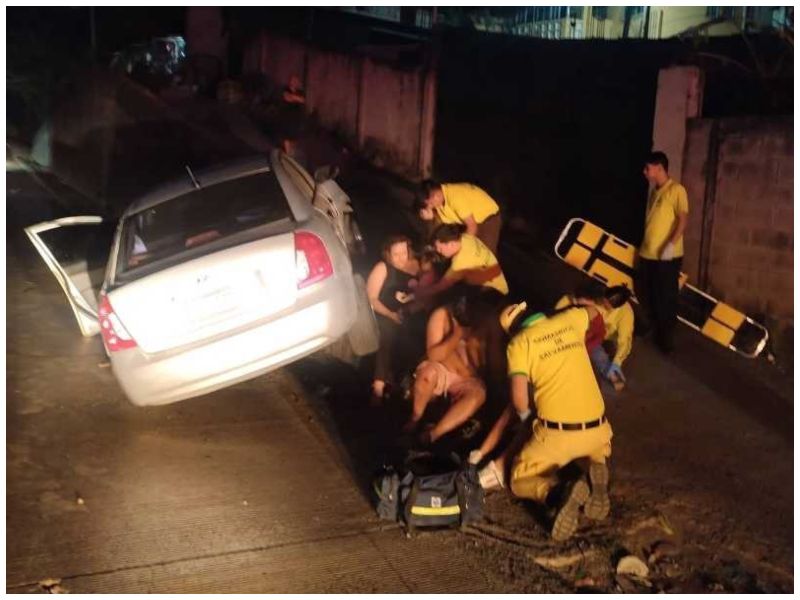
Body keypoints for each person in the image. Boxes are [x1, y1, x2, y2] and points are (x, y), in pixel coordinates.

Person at [472, 301, 614, 541]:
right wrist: (561, 315)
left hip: (558, 435)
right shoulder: (571, 320)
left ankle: (556, 493)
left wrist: (528, 420)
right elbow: (594, 311)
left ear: (513, 330)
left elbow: (519, 400)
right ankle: (597, 465)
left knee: (518, 479)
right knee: (596, 448)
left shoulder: (519, 343)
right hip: (599, 430)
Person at [403, 293, 490, 445]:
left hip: (468, 379)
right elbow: (434, 355)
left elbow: (489, 364)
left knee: (478, 394)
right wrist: (457, 335)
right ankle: (414, 419)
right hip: (442, 369)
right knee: (427, 374)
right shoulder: (441, 315)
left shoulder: (488, 322)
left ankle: (433, 435)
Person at [639, 151, 689, 354]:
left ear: (659, 167)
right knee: (648, 294)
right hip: (648, 254)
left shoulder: (676, 190)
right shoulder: (654, 191)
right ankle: (654, 329)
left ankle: (666, 340)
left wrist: (670, 244)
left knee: (665, 297)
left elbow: (683, 219)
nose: (645, 172)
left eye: (648, 168)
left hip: (666, 257)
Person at [366, 235, 421, 402]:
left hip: (406, 313)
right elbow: (371, 298)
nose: (400, 258)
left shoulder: (416, 268)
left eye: (403, 253)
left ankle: (404, 382)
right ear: (388, 254)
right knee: (388, 333)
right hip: (383, 313)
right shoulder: (383, 268)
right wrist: (391, 314)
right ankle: (378, 386)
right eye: (396, 254)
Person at [555, 283, 634, 392]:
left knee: (599, 356)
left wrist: (617, 362)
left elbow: (625, 341)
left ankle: (615, 377)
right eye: (603, 301)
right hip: (577, 327)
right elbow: (569, 299)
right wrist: (555, 316)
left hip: (597, 337)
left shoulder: (626, 315)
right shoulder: (595, 293)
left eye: (607, 306)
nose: (603, 305)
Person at [415, 224, 509, 301]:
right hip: (500, 282)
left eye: (440, 248)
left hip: (492, 293)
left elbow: (440, 286)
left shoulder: (460, 263)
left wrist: (418, 293)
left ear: (451, 244)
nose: (439, 251)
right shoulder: (465, 237)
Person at [416, 180, 503, 254]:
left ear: (436, 196)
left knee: (483, 255)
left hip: (488, 218)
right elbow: (440, 223)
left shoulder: (455, 198)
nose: (429, 207)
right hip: (468, 220)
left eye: (430, 204)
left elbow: (472, 227)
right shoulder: (439, 201)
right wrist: (431, 217)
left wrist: (460, 249)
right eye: (427, 205)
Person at [280, 74, 306, 158]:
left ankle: (292, 151)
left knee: (294, 136)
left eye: (295, 81)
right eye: (292, 81)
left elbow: (302, 100)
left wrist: (294, 98)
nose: (293, 82)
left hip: (296, 118)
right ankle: (287, 154)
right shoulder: (285, 89)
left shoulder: (300, 91)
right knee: (286, 135)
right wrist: (295, 98)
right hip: (286, 116)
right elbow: (287, 97)